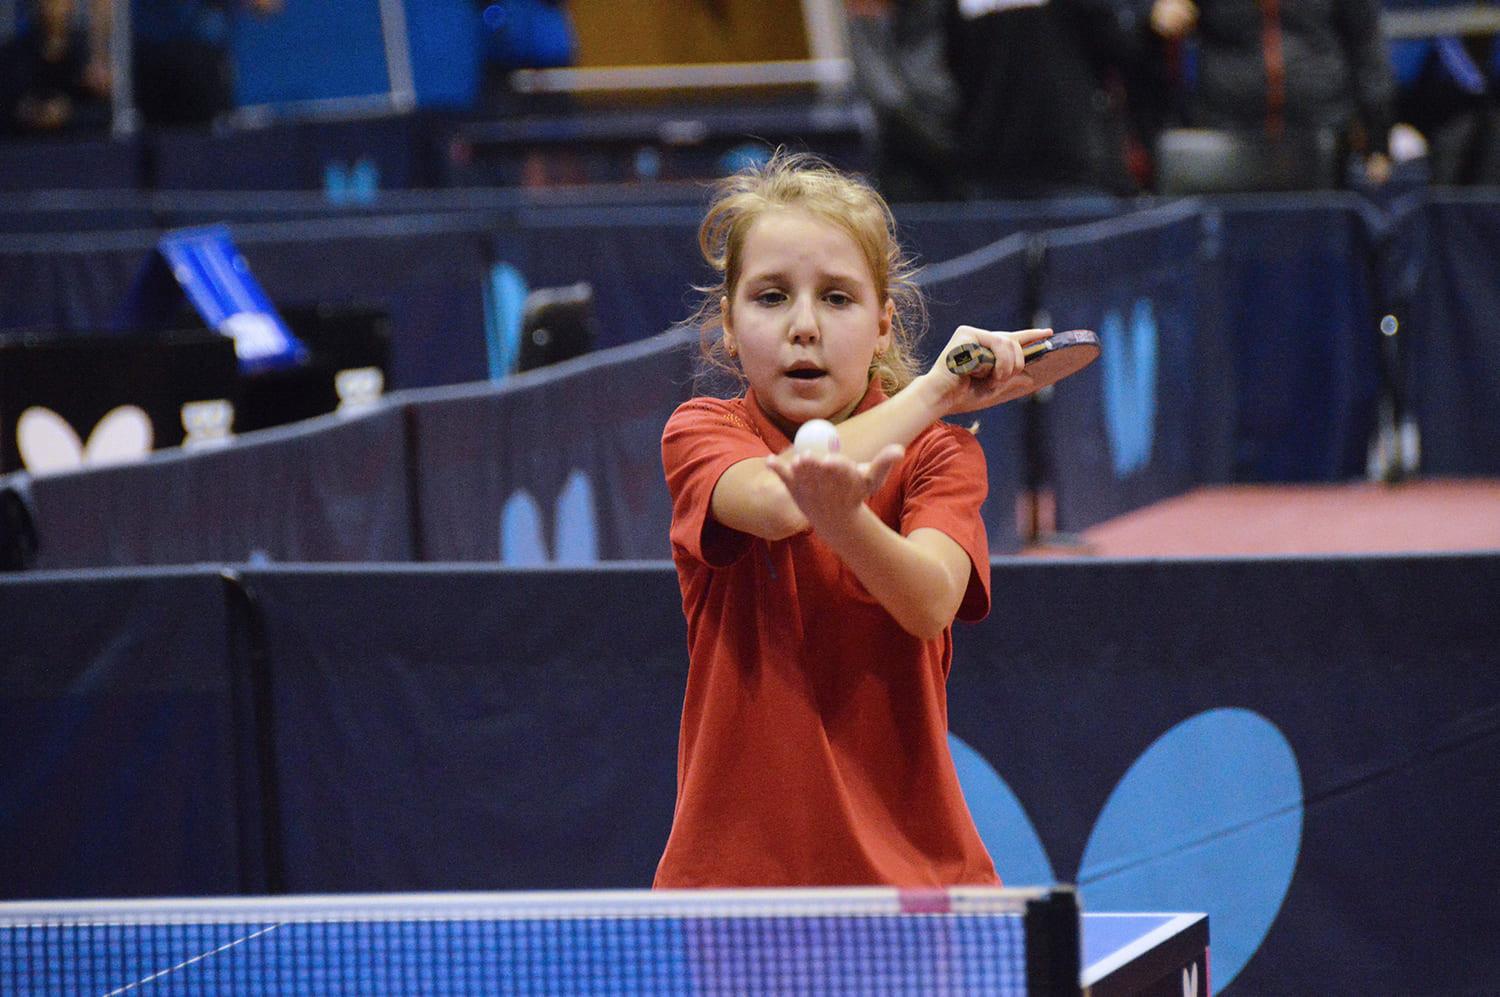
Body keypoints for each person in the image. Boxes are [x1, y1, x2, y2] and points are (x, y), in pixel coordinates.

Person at [653, 151, 1052, 889]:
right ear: (729, 325)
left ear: (882, 325)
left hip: (916, 894)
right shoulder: (702, 431)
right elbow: (778, 503)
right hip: (734, 899)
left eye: (837, 298)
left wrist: (847, 526)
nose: (804, 325)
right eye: (771, 297)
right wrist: (934, 393)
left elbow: (929, 601)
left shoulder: (940, 455)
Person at [1148, 0, 1398, 186]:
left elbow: (1366, 46)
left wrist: (1377, 142)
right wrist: (1153, 13)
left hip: (1323, 135)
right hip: (1226, 134)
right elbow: (1151, 15)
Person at [0, 0, 111, 136]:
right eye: (47, 2)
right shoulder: (12, 56)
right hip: (23, 145)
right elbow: (6, 109)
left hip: (80, 145)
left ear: (71, 5)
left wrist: (67, 115)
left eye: (58, 2)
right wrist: (24, 114)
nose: (52, 9)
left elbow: (105, 115)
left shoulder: (88, 57)